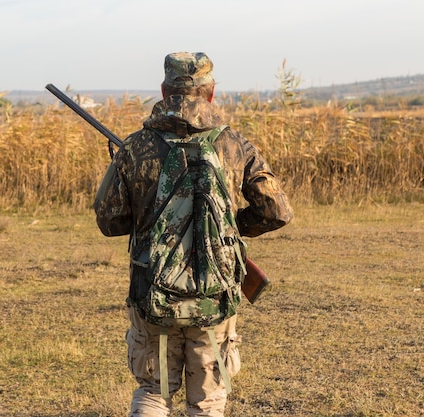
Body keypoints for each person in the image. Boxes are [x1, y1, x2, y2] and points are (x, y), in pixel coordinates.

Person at [94, 52, 294, 417]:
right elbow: (277, 211)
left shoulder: (136, 147)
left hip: (151, 292)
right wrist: (229, 230)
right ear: (211, 93)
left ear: (164, 90)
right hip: (214, 295)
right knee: (208, 401)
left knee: (153, 391)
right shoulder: (234, 145)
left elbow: (108, 222)